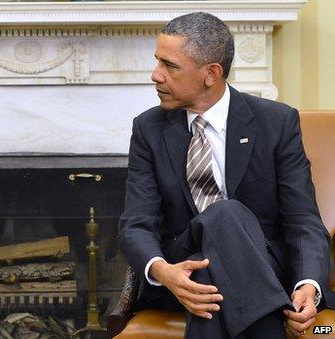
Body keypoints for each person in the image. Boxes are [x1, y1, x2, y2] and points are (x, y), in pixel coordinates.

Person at [119, 12, 332, 338]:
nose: (155, 75)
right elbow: (136, 224)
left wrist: (309, 285)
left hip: (260, 267)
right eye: (157, 62)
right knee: (225, 214)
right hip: (180, 269)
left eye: (169, 66)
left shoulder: (275, 123)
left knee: (213, 256)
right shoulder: (149, 129)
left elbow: (302, 219)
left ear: (211, 73)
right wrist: (164, 272)